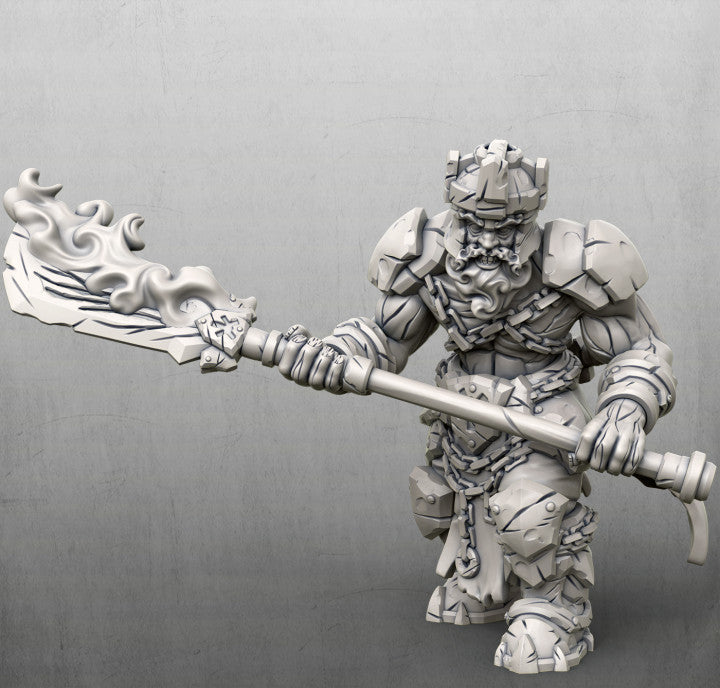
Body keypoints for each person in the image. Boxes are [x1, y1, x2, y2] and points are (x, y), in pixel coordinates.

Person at [202, 140, 677, 673]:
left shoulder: (578, 259)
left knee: (528, 513)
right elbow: (386, 337)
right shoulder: (426, 256)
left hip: (544, 413)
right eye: (473, 225)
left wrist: (625, 409)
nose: (487, 242)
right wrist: (334, 354)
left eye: (506, 229)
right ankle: (483, 584)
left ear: (531, 219)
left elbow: (640, 349)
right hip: (460, 417)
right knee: (441, 503)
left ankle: (557, 611)